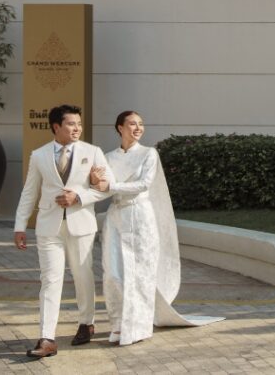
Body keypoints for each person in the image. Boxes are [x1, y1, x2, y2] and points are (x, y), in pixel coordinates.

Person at [90, 110, 222, 346]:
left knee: (141, 273)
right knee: (112, 273)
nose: (138, 128)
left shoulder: (149, 154)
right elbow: (101, 189)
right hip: (116, 217)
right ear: (120, 128)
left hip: (141, 216)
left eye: (141, 124)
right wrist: (94, 182)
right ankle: (118, 324)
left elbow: (144, 184)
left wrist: (110, 185)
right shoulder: (108, 157)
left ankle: (138, 327)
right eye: (132, 124)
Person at [14, 104, 113, 358]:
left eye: (79, 124)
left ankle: (86, 323)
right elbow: (29, 191)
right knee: (50, 280)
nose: (77, 128)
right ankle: (47, 338)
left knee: (82, 275)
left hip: (82, 225)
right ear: (56, 126)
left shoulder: (93, 152)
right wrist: (20, 225)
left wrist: (78, 196)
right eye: (71, 124)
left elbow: (108, 187)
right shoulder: (39, 155)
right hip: (49, 227)